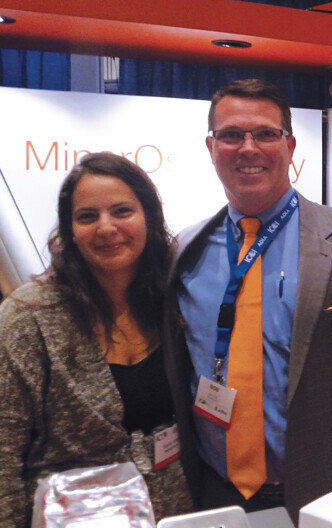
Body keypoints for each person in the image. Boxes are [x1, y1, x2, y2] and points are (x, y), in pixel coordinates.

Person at [164, 78, 332, 523]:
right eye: (231, 135)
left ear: (290, 145)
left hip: (326, 496)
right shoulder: (185, 251)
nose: (248, 148)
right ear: (211, 147)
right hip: (215, 494)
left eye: (265, 133)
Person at [0, 152, 194, 525]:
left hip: (176, 512)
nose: (106, 228)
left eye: (122, 211)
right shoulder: (28, 318)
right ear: (70, 230)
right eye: (88, 216)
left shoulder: (174, 297)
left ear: (149, 217)